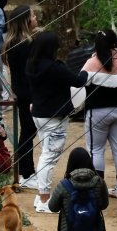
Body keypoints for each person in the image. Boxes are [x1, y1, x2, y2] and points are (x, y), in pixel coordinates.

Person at [26, 32, 88, 212]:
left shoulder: (31, 65)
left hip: (38, 114)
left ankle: (40, 196)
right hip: (54, 117)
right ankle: (45, 199)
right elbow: (78, 81)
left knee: (45, 153)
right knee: (49, 158)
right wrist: (86, 69)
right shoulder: (55, 67)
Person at [81, 29, 117, 199]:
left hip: (96, 113)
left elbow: (80, 82)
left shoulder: (91, 63)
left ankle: (97, 190)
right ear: (116, 41)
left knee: (95, 150)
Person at [3, 5, 38, 189]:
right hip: (27, 92)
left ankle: (26, 170)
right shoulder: (25, 44)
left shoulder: (13, 41)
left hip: (21, 89)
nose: (36, 17)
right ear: (26, 20)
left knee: (27, 130)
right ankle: (26, 172)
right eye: (33, 15)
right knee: (28, 131)